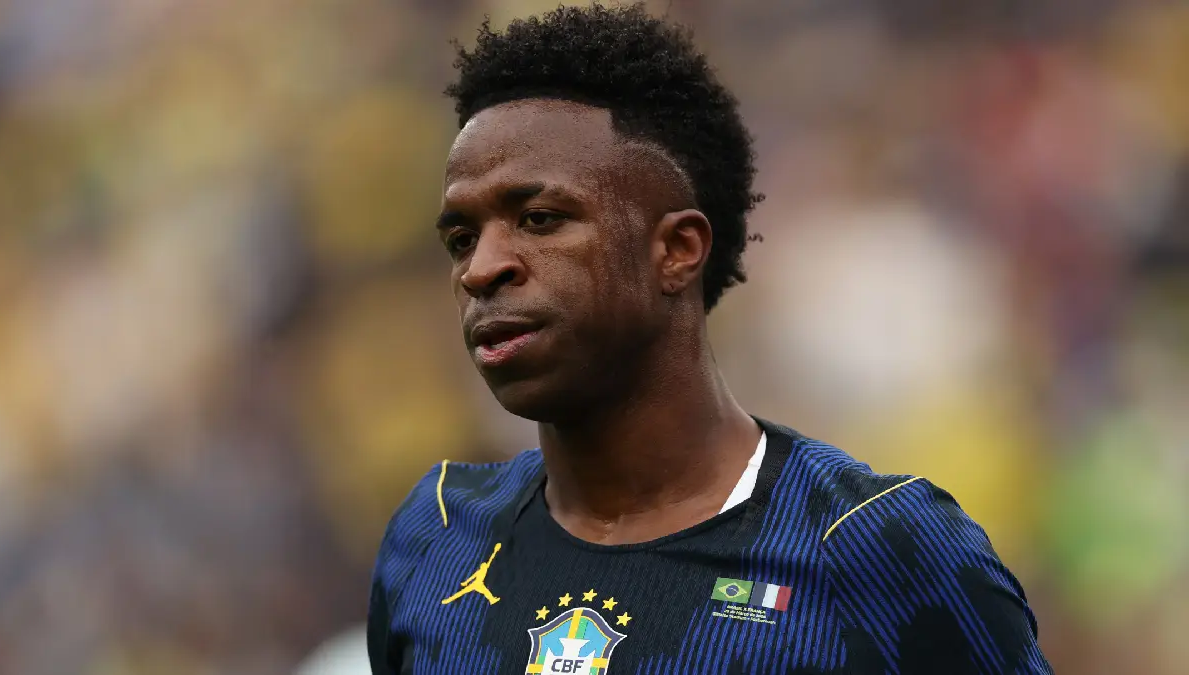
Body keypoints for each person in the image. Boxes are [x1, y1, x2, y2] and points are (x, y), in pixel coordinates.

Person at [368, 4, 1051, 673]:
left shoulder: (880, 548)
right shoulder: (436, 535)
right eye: (462, 238)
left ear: (677, 250)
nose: (482, 267)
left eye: (541, 218)